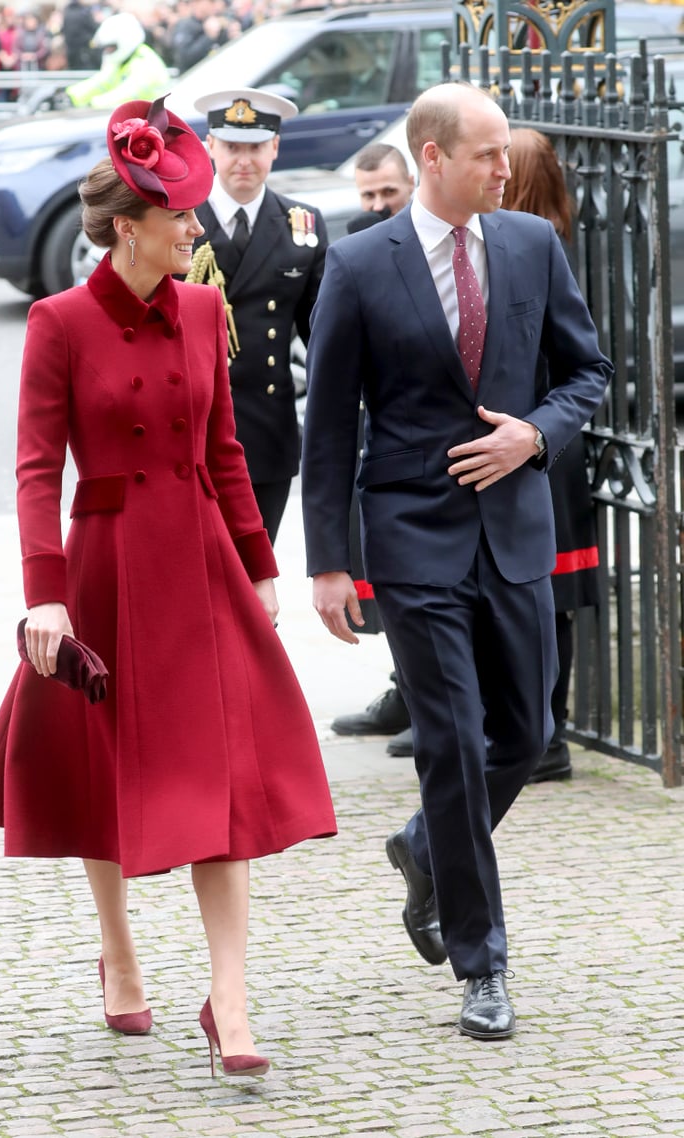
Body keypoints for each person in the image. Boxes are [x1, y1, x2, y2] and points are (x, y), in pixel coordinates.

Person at [0, 95, 337, 1075]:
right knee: (106, 768)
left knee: (220, 781)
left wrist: (259, 567)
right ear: (128, 226)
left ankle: (232, 1000)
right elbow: (37, 468)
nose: (191, 226)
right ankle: (120, 953)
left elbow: (223, 451)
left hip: (202, 561)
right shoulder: (58, 322)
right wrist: (44, 594)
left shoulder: (207, 309)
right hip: (103, 568)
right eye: (175, 215)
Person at [301, 82, 611, 1039]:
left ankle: (423, 847)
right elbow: (331, 423)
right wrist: (329, 562)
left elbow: (587, 373)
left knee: (522, 734)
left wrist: (535, 435)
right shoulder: (357, 265)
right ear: (431, 157)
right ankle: (483, 965)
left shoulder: (531, 244)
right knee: (451, 743)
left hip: (515, 528)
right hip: (412, 537)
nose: (503, 168)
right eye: (485, 153)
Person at [501, 127, 601, 783]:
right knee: (539, 596)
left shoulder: (536, 250)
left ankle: (548, 734)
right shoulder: (536, 243)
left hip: (540, 439)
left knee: (544, 594)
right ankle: (542, 731)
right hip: (550, 439)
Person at [188, 87, 328, 543]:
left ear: (274, 148)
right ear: (209, 146)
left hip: (267, 430)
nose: (242, 160)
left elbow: (322, 334)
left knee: (255, 574)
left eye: (254, 147)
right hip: (192, 424)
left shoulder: (301, 225)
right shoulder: (177, 220)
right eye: (231, 147)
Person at [331, 142, 417, 754]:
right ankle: (406, 691)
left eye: (389, 192)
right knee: (381, 577)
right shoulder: (354, 248)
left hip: (429, 439)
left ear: (413, 182)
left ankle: (427, 703)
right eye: (368, 196)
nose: (379, 205)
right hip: (372, 437)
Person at [66, 12, 169, 110]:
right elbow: (101, 82)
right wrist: (69, 95)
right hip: (138, 121)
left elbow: (128, 92)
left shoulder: (146, 62)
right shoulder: (123, 62)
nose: (107, 51)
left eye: (111, 47)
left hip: (154, 124)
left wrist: (93, 104)